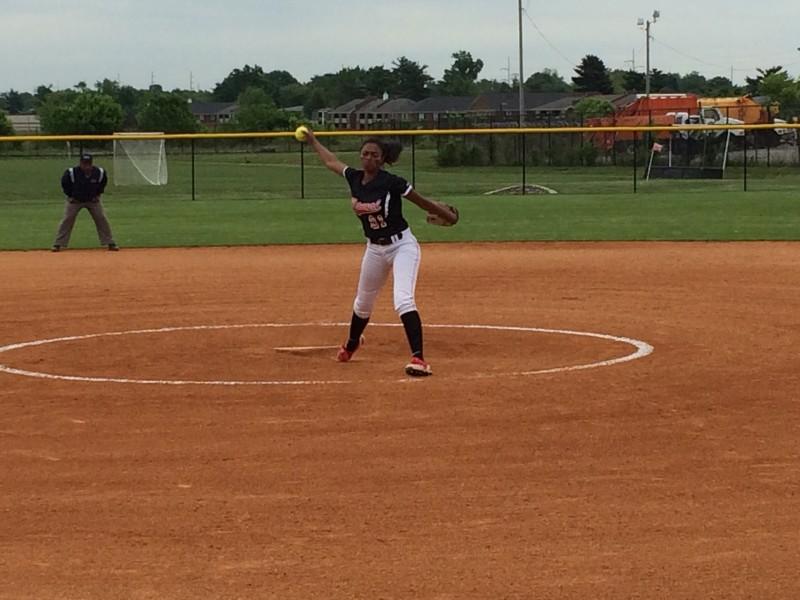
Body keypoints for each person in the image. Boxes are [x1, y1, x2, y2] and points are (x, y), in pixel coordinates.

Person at [305, 129, 458, 376]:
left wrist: (444, 213)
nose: (368, 158)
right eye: (364, 153)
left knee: (403, 299)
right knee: (362, 302)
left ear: (382, 158)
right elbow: (331, 161)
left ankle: (418, 359)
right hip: (374, 248)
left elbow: (420, 201)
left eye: (374, 154)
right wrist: (313, 141)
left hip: (402, 246)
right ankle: (352, 343)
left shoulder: (391, 182)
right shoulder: (354, 178)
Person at [52, 153, 119, 252]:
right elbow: (65, 184)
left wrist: (98, 194)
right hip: (75, 201)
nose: (86, 166)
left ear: (91, 163)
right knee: (67, 219)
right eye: (84, 164)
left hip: (92, 200)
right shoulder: (71, 172)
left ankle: (110, 243)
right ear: (80, 163)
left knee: (101, 218)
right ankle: (58, 244)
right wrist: (70, 196)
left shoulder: (99, 172)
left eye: (88, 164)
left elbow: (103, 183)